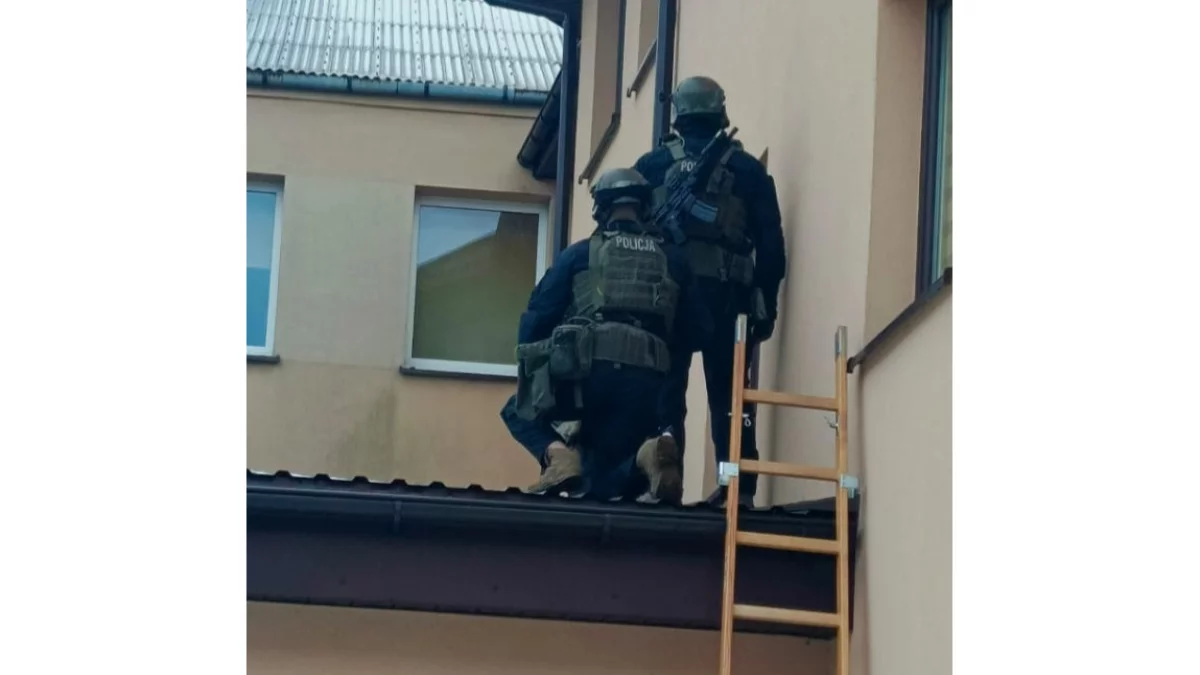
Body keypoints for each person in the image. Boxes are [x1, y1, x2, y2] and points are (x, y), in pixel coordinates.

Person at [499, 168, 711, 504]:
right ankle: (649, 453)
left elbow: (534, 323)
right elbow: (699, 331)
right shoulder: (674, 260)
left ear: (600, 208)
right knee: (617, 468)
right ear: (645, 207)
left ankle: (559, 456)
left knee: (517, 410)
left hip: (586, 383)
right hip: (647, 386)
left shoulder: (578, 255)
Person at [633, 75, 787, 507]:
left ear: (678, 116)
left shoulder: (650, 167)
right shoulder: (748, 170)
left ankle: (665, 477)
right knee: (731, 395)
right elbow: (772, 248)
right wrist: (766, 305)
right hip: (726, 298)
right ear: (720, 112)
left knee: (667, 392)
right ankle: (739, 486)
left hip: (668, 298)